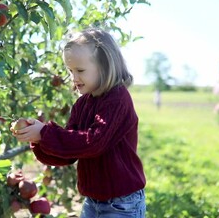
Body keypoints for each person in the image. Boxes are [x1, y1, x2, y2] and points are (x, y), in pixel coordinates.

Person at [12, 27, 146, 218]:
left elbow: (94, 142)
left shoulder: (117, 99)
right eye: (70, 71)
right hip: (92, 202)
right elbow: (68, 153)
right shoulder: (82, 104)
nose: (74, 78)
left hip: (122, 203)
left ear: (105, 66)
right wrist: (39, 139)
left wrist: (45, 133)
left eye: (80, 70)